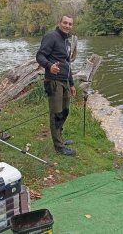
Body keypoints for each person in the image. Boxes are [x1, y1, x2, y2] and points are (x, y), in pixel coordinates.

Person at [36, 15, 77, 156]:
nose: (67, 26)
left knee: (64, 111)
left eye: (70, 24)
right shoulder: (51, 37)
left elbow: (67, 64)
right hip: (53, 81)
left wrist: (71, 84)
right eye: (65, 23)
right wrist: (49, 66)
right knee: (56, 113)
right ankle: (59, 147)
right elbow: (40, 56)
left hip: (65, 81)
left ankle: (60, 138)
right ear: (59, 23)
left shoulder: (67, 42)